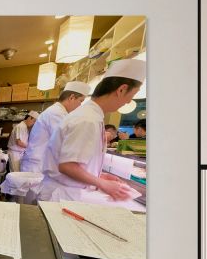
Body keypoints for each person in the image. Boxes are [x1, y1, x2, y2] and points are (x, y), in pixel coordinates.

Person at [38, 59, 145, 203]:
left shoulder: (91, 116)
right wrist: (103, 184)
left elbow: (73, 162)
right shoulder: (87, 119)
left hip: (68, 193)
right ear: (121, 89)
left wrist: (97, 177)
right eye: (132, 94)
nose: (128, 101)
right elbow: (67, 166)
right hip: (63, 196)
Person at [19, 81, 91, 173]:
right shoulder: (56, 113)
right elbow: (66, 140)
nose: (80, 105)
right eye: (80, 101)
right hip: (36, 167)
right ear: (72, 97)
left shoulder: (59, 112)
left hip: (39, 165)